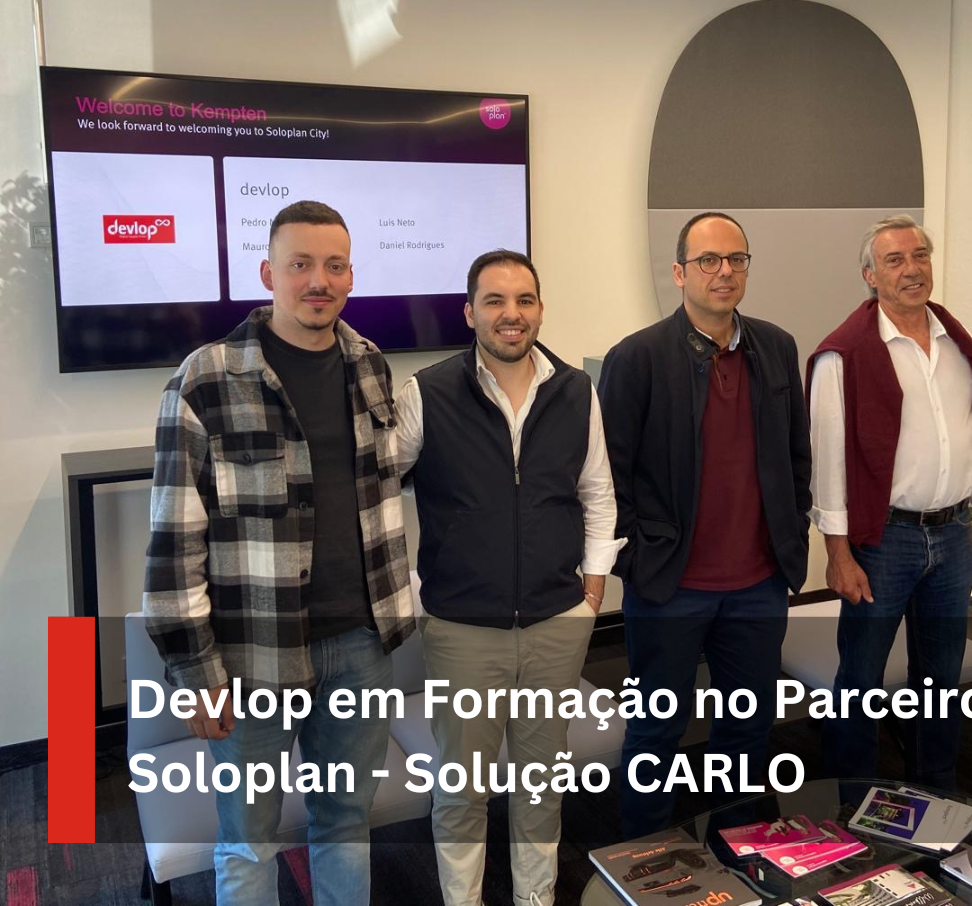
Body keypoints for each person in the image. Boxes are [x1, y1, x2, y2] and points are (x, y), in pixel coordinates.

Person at [143, 200, 414, 906]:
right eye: (300, 264)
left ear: (351, 276)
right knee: (249, 838)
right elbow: (173, 541)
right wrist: (195, 670)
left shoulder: (370, 366)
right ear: (269, 274)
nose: (318, 280)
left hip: (360, 645)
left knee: (345, 823)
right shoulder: (205, 378)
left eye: (334, 265)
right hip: (250, 657)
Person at [395, 248, 622, 906]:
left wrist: (593, 589)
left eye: (524, 300)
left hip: (557, 622)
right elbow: (372, 494)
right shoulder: (427, 392)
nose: (511, 313)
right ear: (470, 313)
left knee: (541, 784)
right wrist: (413, 590)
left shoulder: (575, 390)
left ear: (540, 309)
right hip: (462, 630)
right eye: (494, 300)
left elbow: (598, 492)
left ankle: (535, 898)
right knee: (462, 789)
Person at [598, 211, 811, 837]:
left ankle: (738, 844)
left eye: (736, 259)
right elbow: (608, 476)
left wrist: (791, 532)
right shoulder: (636, 358)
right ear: (679, 272)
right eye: (708, 261)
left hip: (758, 584)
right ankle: (643, 855)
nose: (724, 272)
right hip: (671, 585)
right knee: (656, 729)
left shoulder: (777, 346)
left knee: (747, 728)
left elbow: (796, 454)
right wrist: (637, 560)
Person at [806, 213, 972, 790]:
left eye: (919, 255)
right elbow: (829, 462)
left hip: (953, 536)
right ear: (870, 276)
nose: (911, 269)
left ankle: (935, 796)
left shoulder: (958, 346)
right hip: (883, 541)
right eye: (894, 260)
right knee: (861, 679)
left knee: (941, 680)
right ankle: (850, 801)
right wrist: (838, 553)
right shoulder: (842, 355)